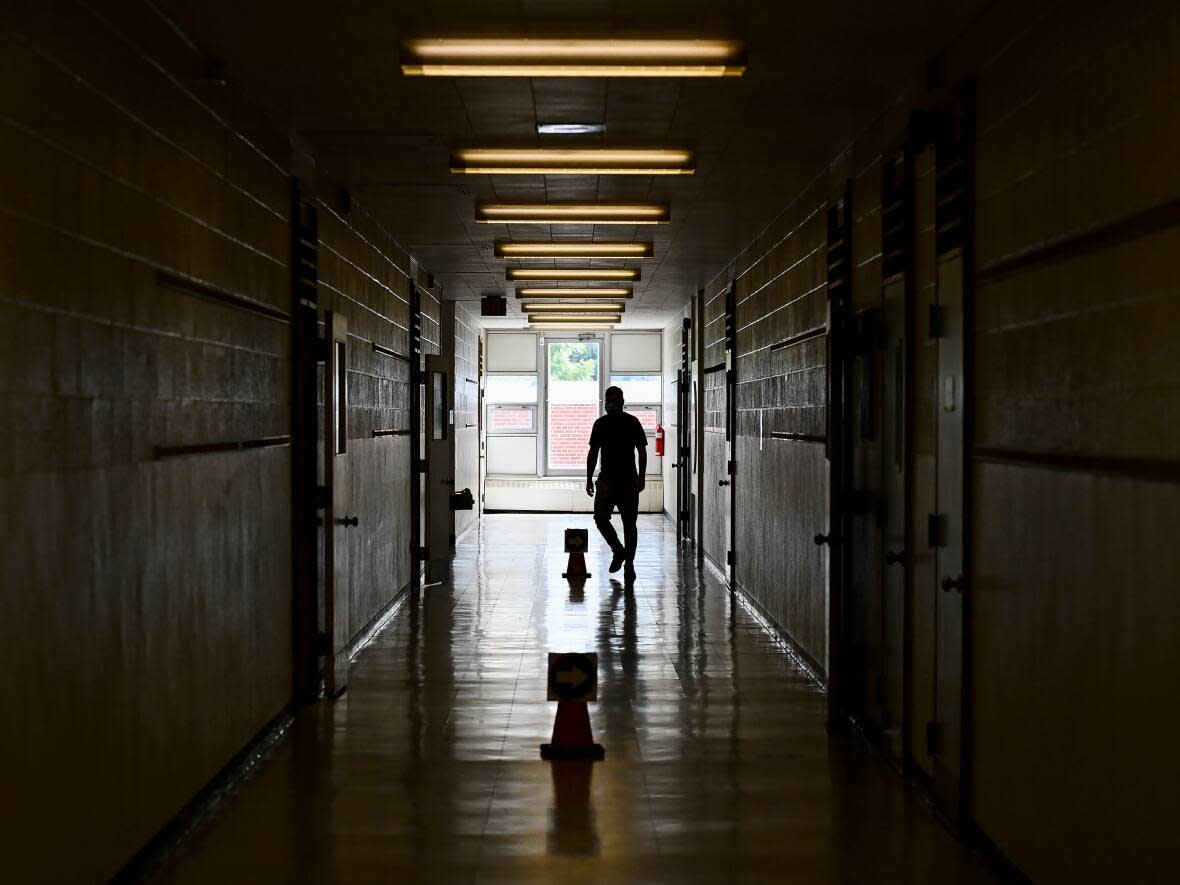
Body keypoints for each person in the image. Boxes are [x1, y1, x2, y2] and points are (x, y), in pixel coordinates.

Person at [586, 386, 648, 579]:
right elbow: (593, 452)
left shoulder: (632, 422)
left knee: (630, 525)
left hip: (628, 481)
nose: (612, 404)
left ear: (622, 402)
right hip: (606, 481)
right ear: (605, 402)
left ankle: (629, 563)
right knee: (600, 518)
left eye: (616, 400)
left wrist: (642, 477)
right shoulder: (600, 424)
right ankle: (619, 551)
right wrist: (588, 477)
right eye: (609, 401)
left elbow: (642, 451)